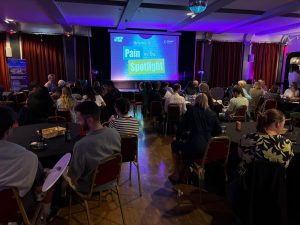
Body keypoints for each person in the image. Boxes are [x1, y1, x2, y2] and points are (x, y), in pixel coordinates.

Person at [0, 106, 54, 217]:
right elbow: (39, 185)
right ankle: (47, 214)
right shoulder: (28, 157)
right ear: (8, 129)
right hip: (21, 208)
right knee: (50, 175)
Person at [66, 101, 121, 192]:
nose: (77, 122)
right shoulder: (115, 133)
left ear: (90, 120)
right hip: (111, 181)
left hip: (90, 187)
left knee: (61, 172)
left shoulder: (81, 145)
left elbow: (74, 175)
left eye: (79, 119)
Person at [169, 93, 221, 182]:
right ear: (207, 102)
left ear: (196, 101)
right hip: (209, 149)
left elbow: (181, 128)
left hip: (194, 148)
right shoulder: (212, 113)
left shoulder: (191, 111)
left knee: (174, 144)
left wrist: (177, 138)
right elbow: (218, 131)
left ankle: (176, 173)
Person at [238, 109, 293, 175]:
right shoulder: (287, 143)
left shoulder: (246, 138)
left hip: (247, 181)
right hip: (275, 183)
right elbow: (286, 165)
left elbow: (240, 155)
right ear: (278, 124)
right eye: (283, 124)